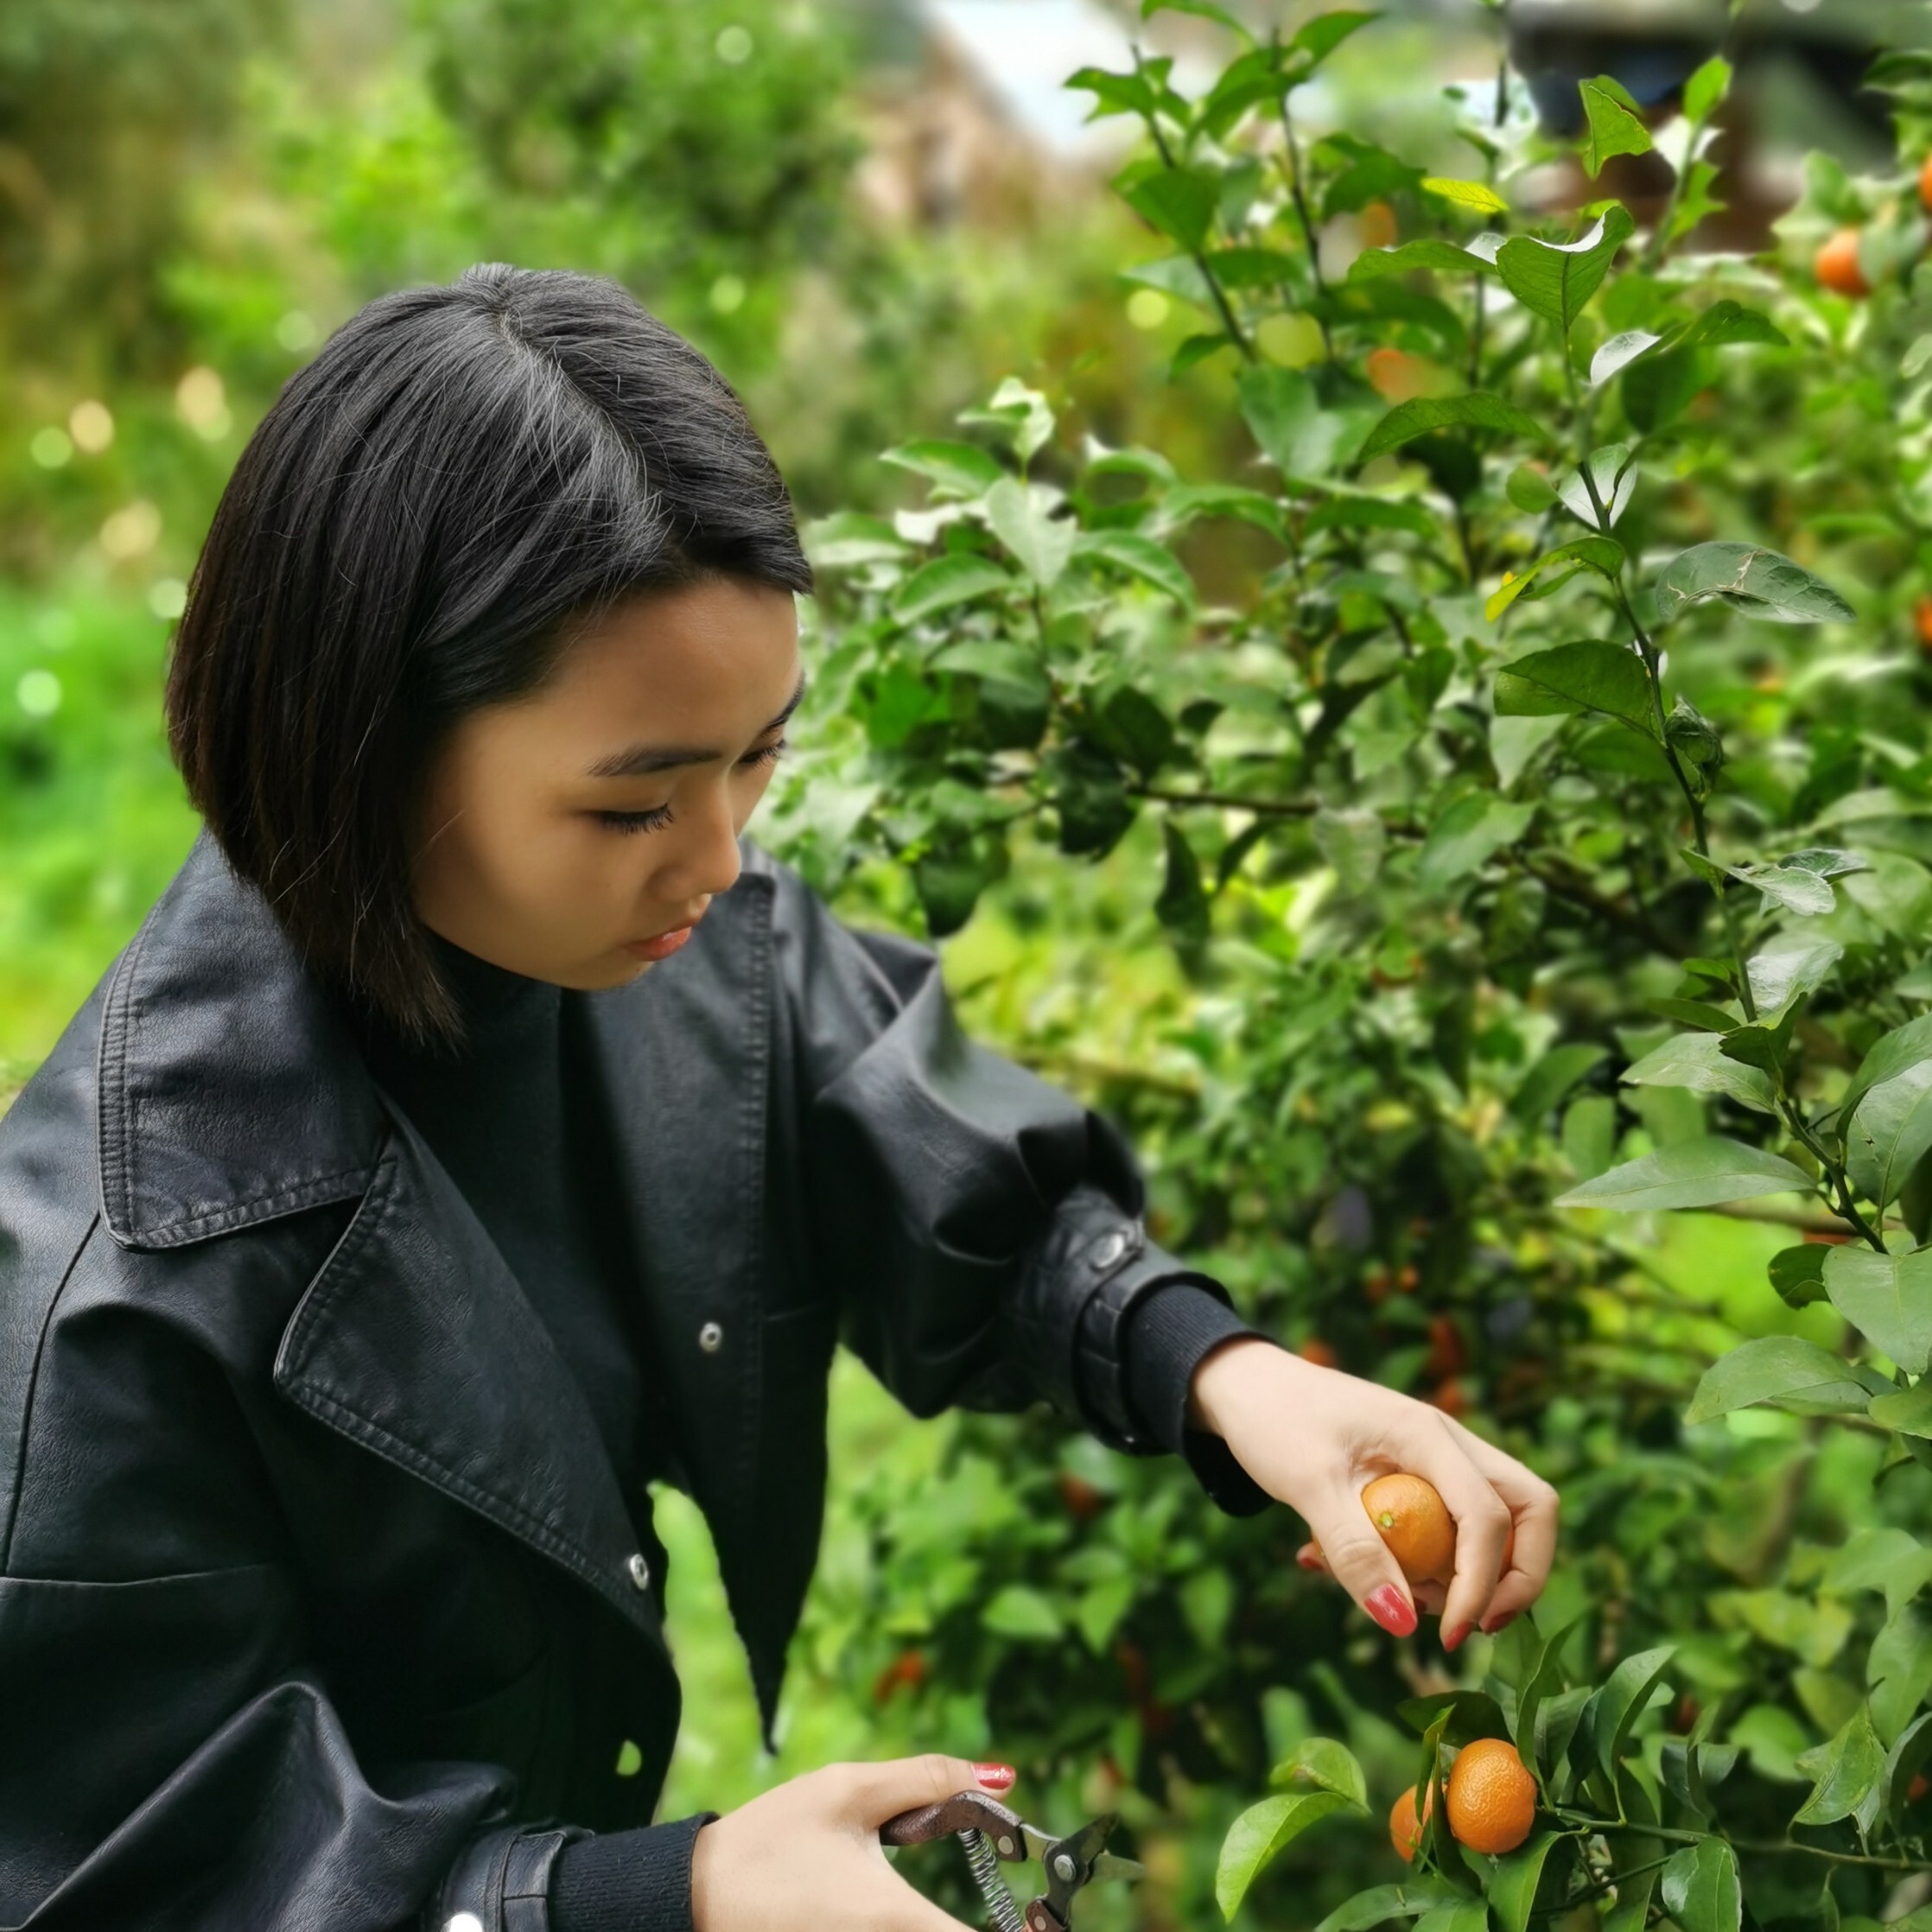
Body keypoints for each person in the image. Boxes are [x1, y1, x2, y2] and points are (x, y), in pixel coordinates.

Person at [0, 264, 1559, 1932]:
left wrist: (1226, 1372)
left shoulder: (654, 940)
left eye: (759, 757)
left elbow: (886, 1120)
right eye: (635, 804)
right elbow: (147, 1871)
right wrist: (670, 1894)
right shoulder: (109, 1298)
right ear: (360, 741)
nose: (727, 861)